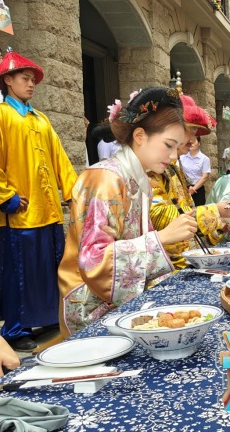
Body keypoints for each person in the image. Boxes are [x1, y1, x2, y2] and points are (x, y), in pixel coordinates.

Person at [58, 87, 197, 336]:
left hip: (121, 292)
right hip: (90, 301)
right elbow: (93, 261)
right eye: (169, 145)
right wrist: (161, 238)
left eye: (177, 147)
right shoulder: (106, 179)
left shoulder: (139, 179)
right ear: (140, 135)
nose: (173, 156)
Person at [0, 52, 79, 350]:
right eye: (25, 78)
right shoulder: (0, 115)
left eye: (33, 79)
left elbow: (60, 158)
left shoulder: (41, 118)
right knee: (18, 273)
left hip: (48, 210)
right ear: (8, 80)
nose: (31, 84)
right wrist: (5, 195)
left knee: (48, 269)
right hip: (18, 214)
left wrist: (73, 193)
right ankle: (15, 329)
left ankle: (48, 317)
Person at [149, 94, 230, 269]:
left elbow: (186, 210)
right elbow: (158, 216)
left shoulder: (174, 166)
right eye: (189, 134)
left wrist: (218, 226)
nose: (193, 141)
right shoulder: (151, 167)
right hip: (168, 265)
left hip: (187, 259)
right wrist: (214, 211)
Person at [179, 135, 211, 207]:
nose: (191, 144)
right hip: (184, 189)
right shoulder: (182, 157)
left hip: (198, 189)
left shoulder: (204, 159)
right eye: (189, 142)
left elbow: (205, 176)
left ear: (199, 143)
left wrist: (194, 188)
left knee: (198, 210)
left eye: (193, 142)